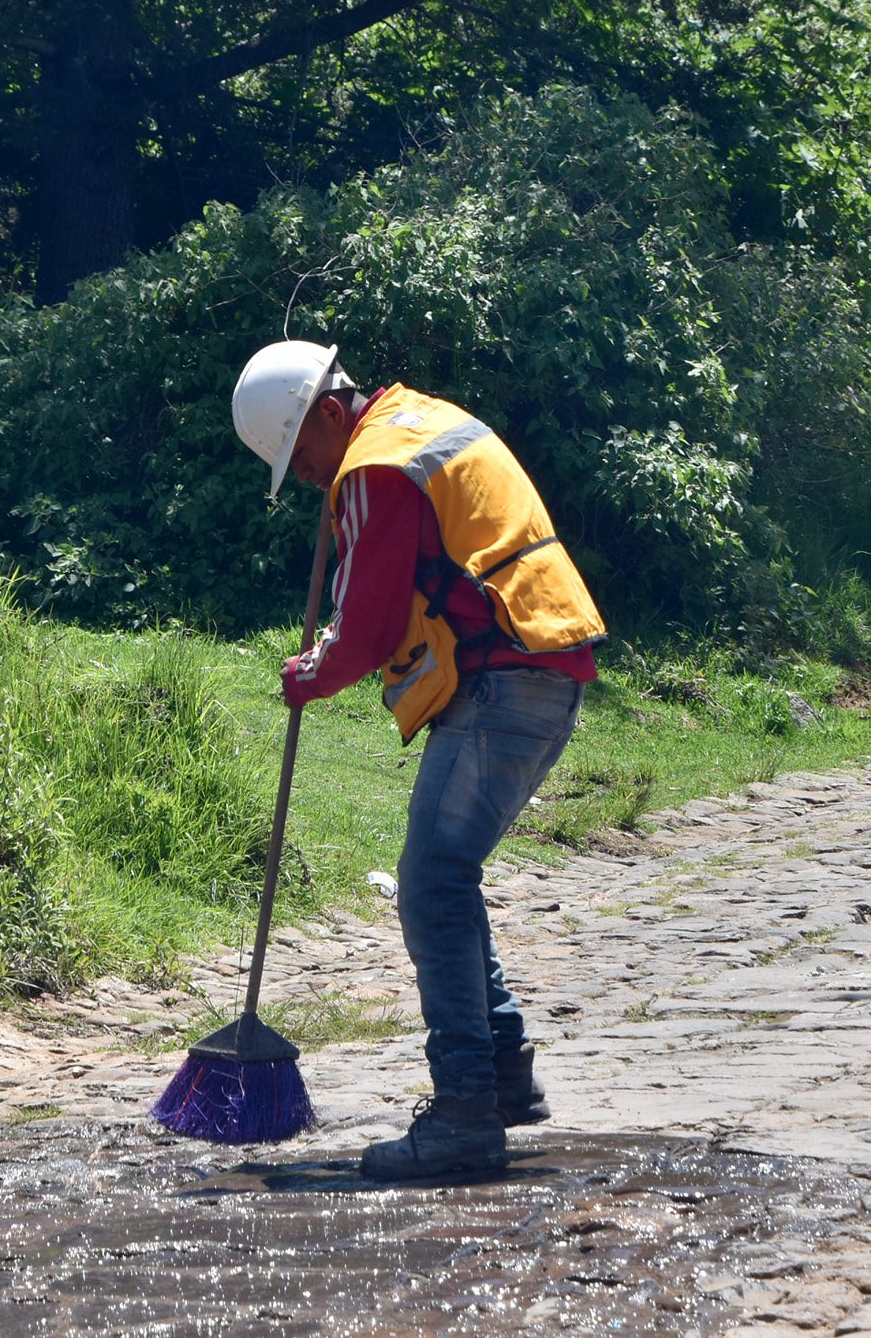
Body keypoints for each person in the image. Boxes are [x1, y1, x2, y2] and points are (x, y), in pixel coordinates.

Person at [230, 341, 607, 1179]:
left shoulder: (372, 469)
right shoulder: (418, 420)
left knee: (432, 881)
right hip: (546, 663)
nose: (304, 481)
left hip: (504, 681)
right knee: (448, 873)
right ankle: (503, 1073)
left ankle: (466, 1113)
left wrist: (311, 675)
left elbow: (362, 629)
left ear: (329, 414)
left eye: (299, 461)